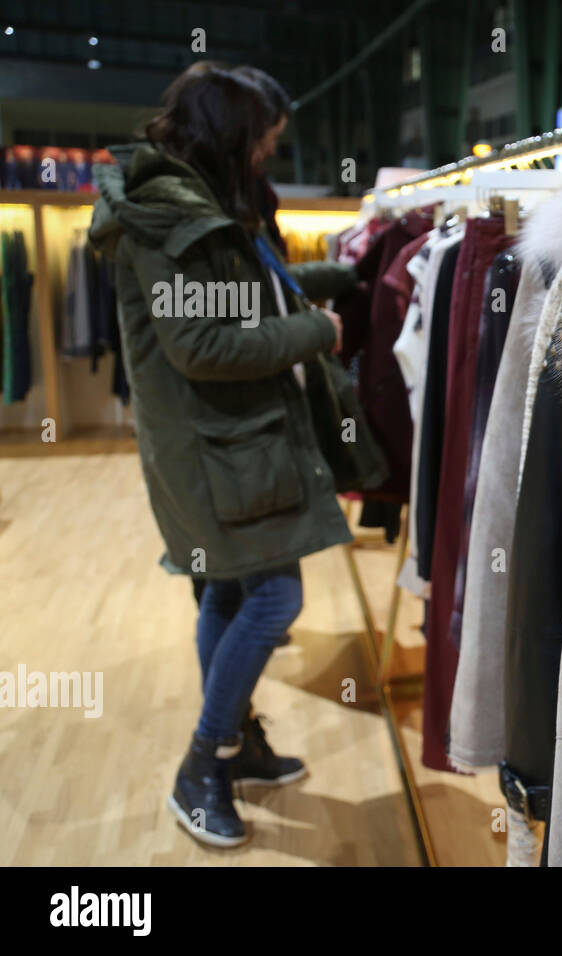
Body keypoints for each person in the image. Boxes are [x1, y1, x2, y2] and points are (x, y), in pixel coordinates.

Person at [90, 62, 358, 848]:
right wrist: (319, 330)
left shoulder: (186, 201)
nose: (264, 162)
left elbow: (237, 296)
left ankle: (235, 746)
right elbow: (202, 342)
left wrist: (333, 275)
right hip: (212, 448)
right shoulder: (167, 217)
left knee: (231, 595)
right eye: (261, 147)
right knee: (274, 600)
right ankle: (200, 767)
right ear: (229, 139)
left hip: (218, 443)